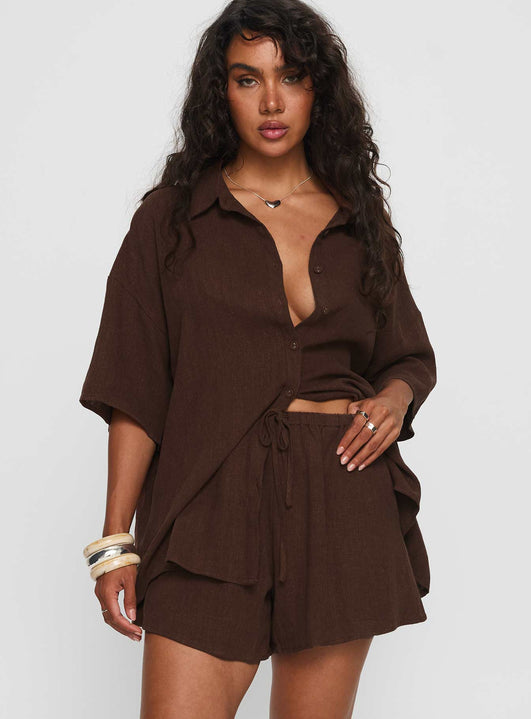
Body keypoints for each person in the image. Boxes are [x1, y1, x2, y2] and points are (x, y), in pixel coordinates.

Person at [79, 1, 437, 716]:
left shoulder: (359, 219)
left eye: (291, 76)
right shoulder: (171, 222)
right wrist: (115, 541)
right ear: (222, 93)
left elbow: (407, 356)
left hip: (341, 496)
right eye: (248, 79)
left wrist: (394, 399)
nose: (272, 101)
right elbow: (134, 385)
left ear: (317, 90)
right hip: (211, 502)